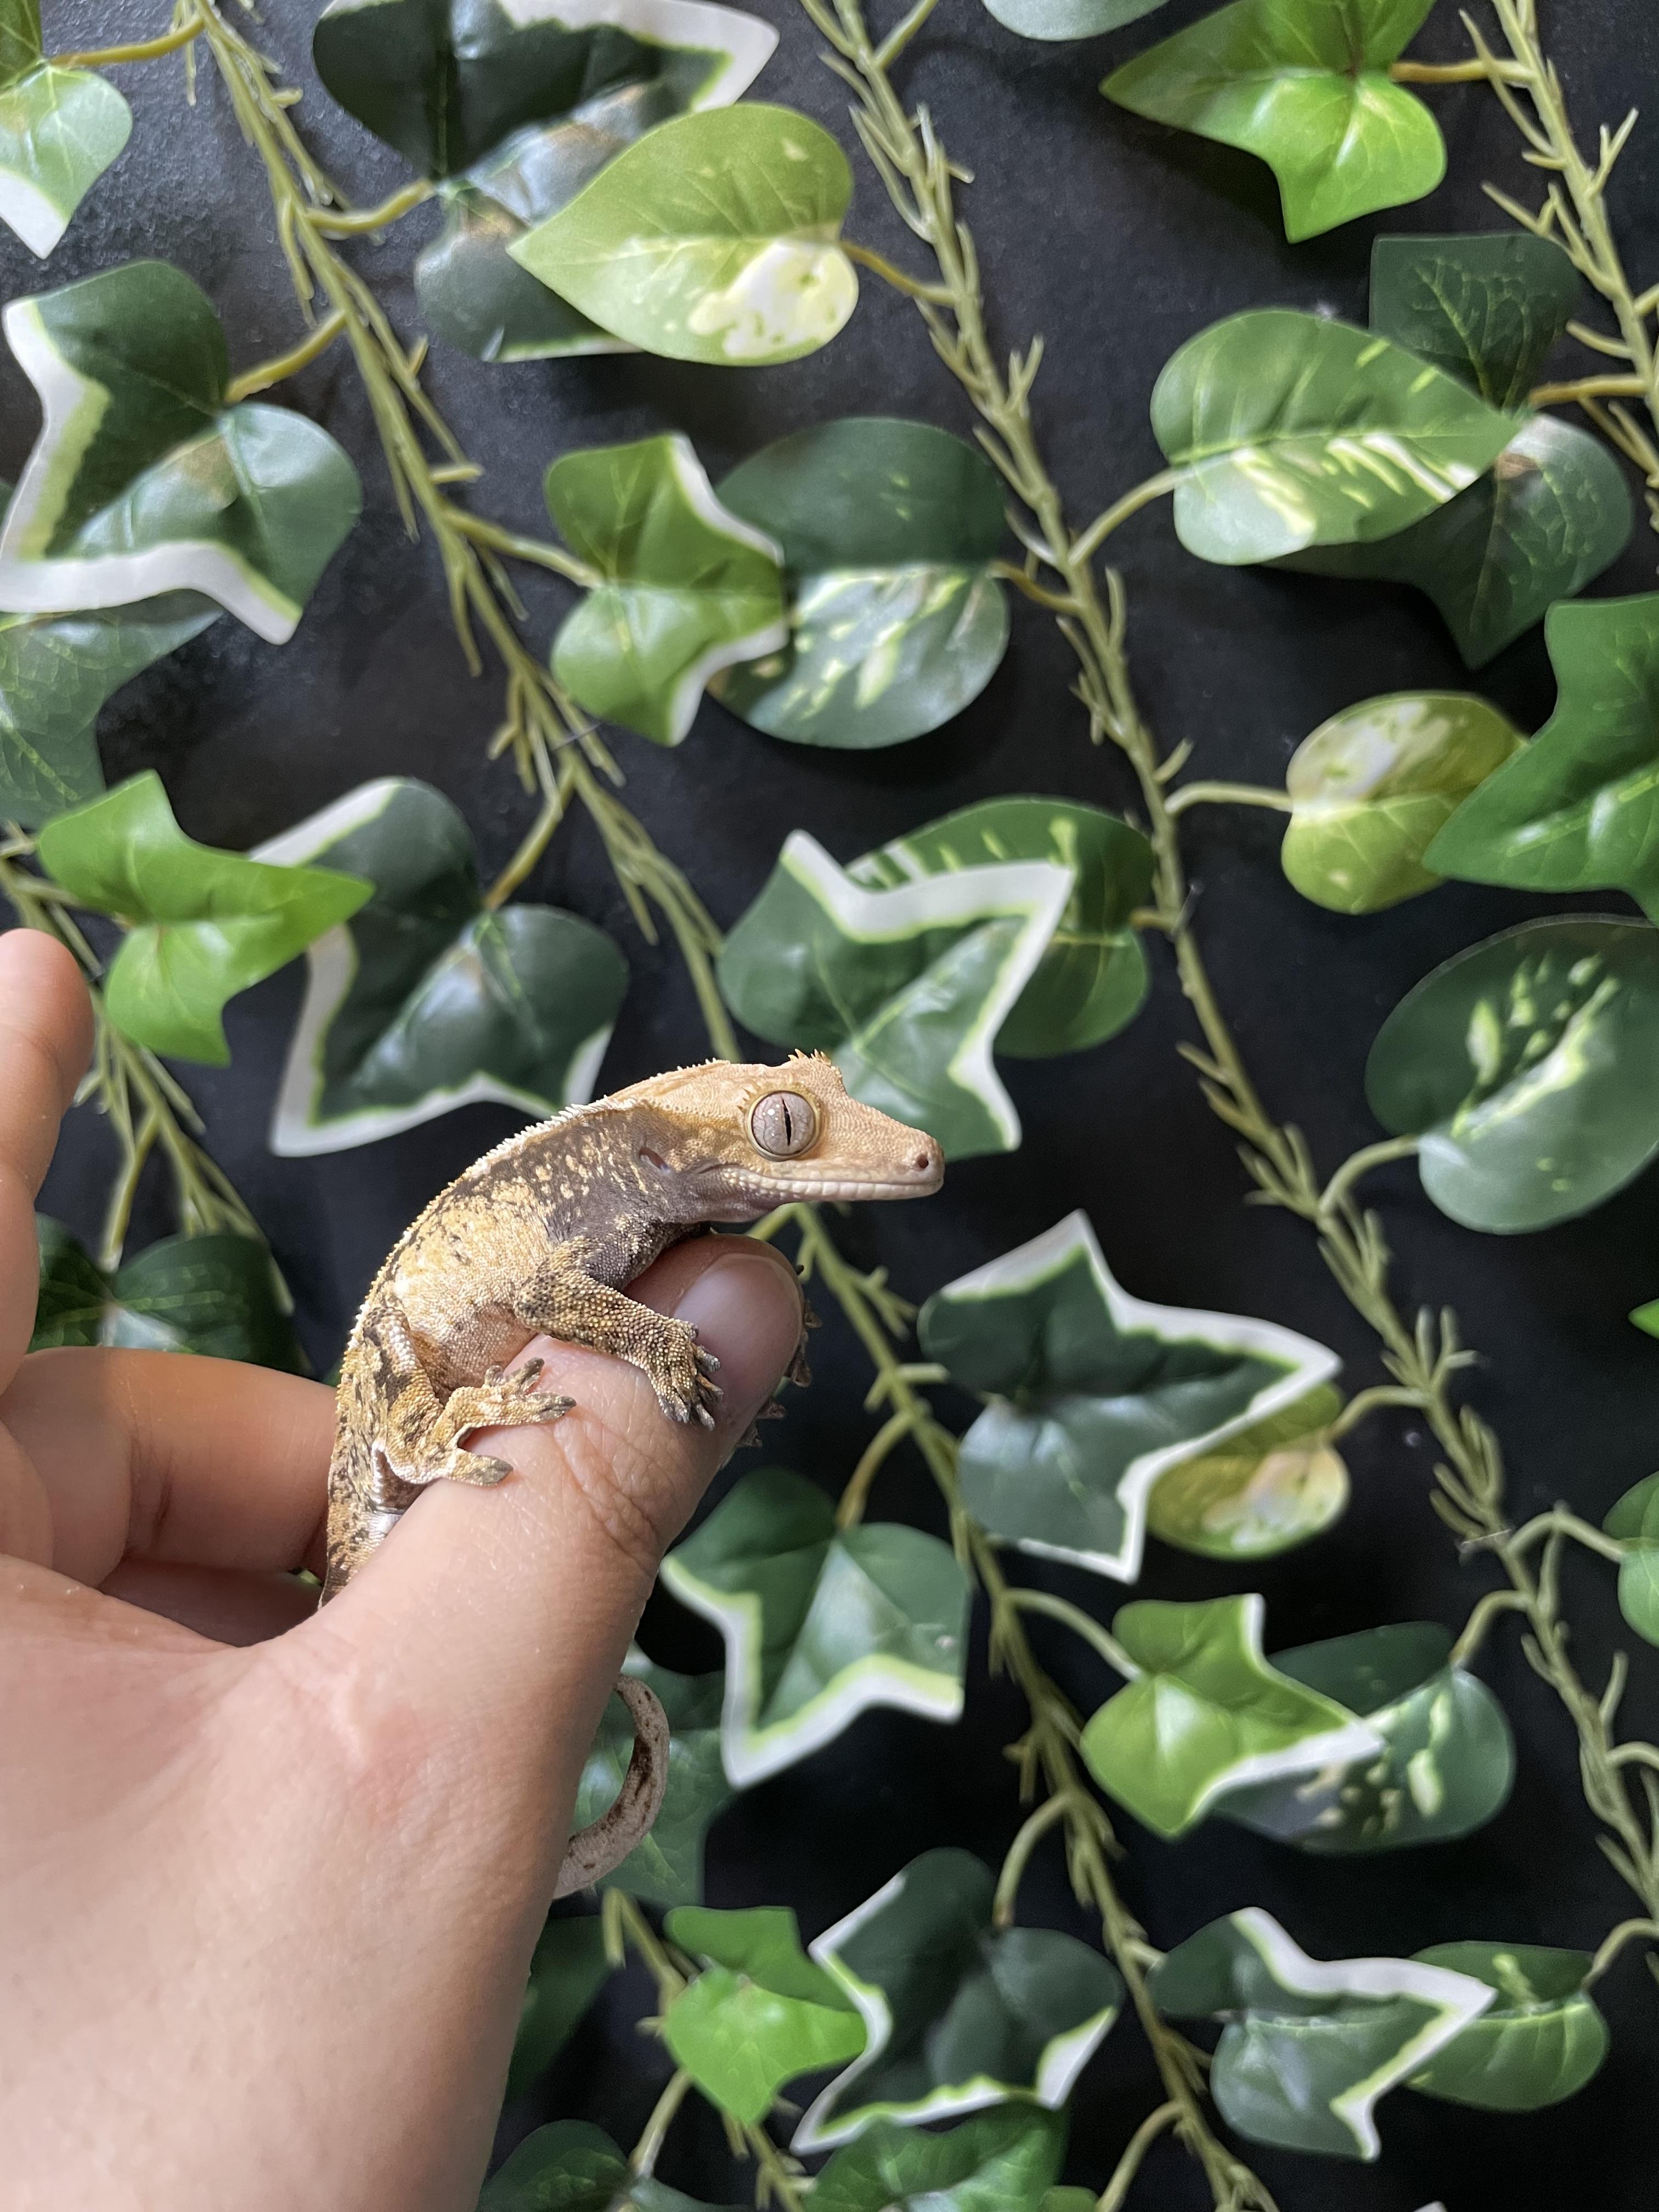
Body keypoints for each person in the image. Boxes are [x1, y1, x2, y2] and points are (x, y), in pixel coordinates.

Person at [0, 927, 805, 2209]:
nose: (863, 1151)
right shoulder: (609, 1190)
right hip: (397, 1436)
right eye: (784, 1128)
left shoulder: (627, 1184)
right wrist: (654, 1351)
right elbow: (550, 1297)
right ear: (678, 1149)